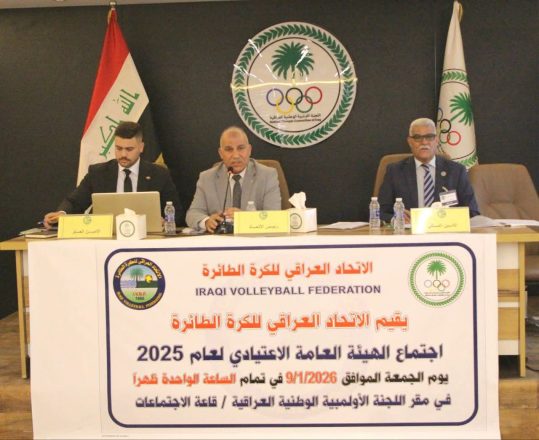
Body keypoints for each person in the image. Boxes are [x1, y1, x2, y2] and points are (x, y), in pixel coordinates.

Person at [43, 121, 183, 228]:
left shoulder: (159, 174)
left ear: (141, 147)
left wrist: (165, 221)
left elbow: (177, 212)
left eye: (129, 149)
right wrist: (61, 214)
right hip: (105, 239)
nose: (123, 154)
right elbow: (74, 202)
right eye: (118, 148)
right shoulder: (98, 173)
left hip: (146, 239)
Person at [378, 117, 479, 223]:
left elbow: (472, 211)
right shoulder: (395, 171)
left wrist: (450, 218)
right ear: (410, 142)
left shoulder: (456, 171)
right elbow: (380, 211)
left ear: (436, 140)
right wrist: (396, 219)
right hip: (408, 231)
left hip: (446, 230)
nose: (424, 142)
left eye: (429, 137)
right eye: (417, 137)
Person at [186, 126, 281, 233]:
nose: (235, 155)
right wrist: (206, 221)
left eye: (241, 148)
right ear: (221, 153)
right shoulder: (207, 178)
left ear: (249, 150)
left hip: (255, 239)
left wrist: (244, 218)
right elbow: (193, 213)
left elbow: (274, 216)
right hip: (220, 240)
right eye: (229, 149)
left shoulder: (267, 175)